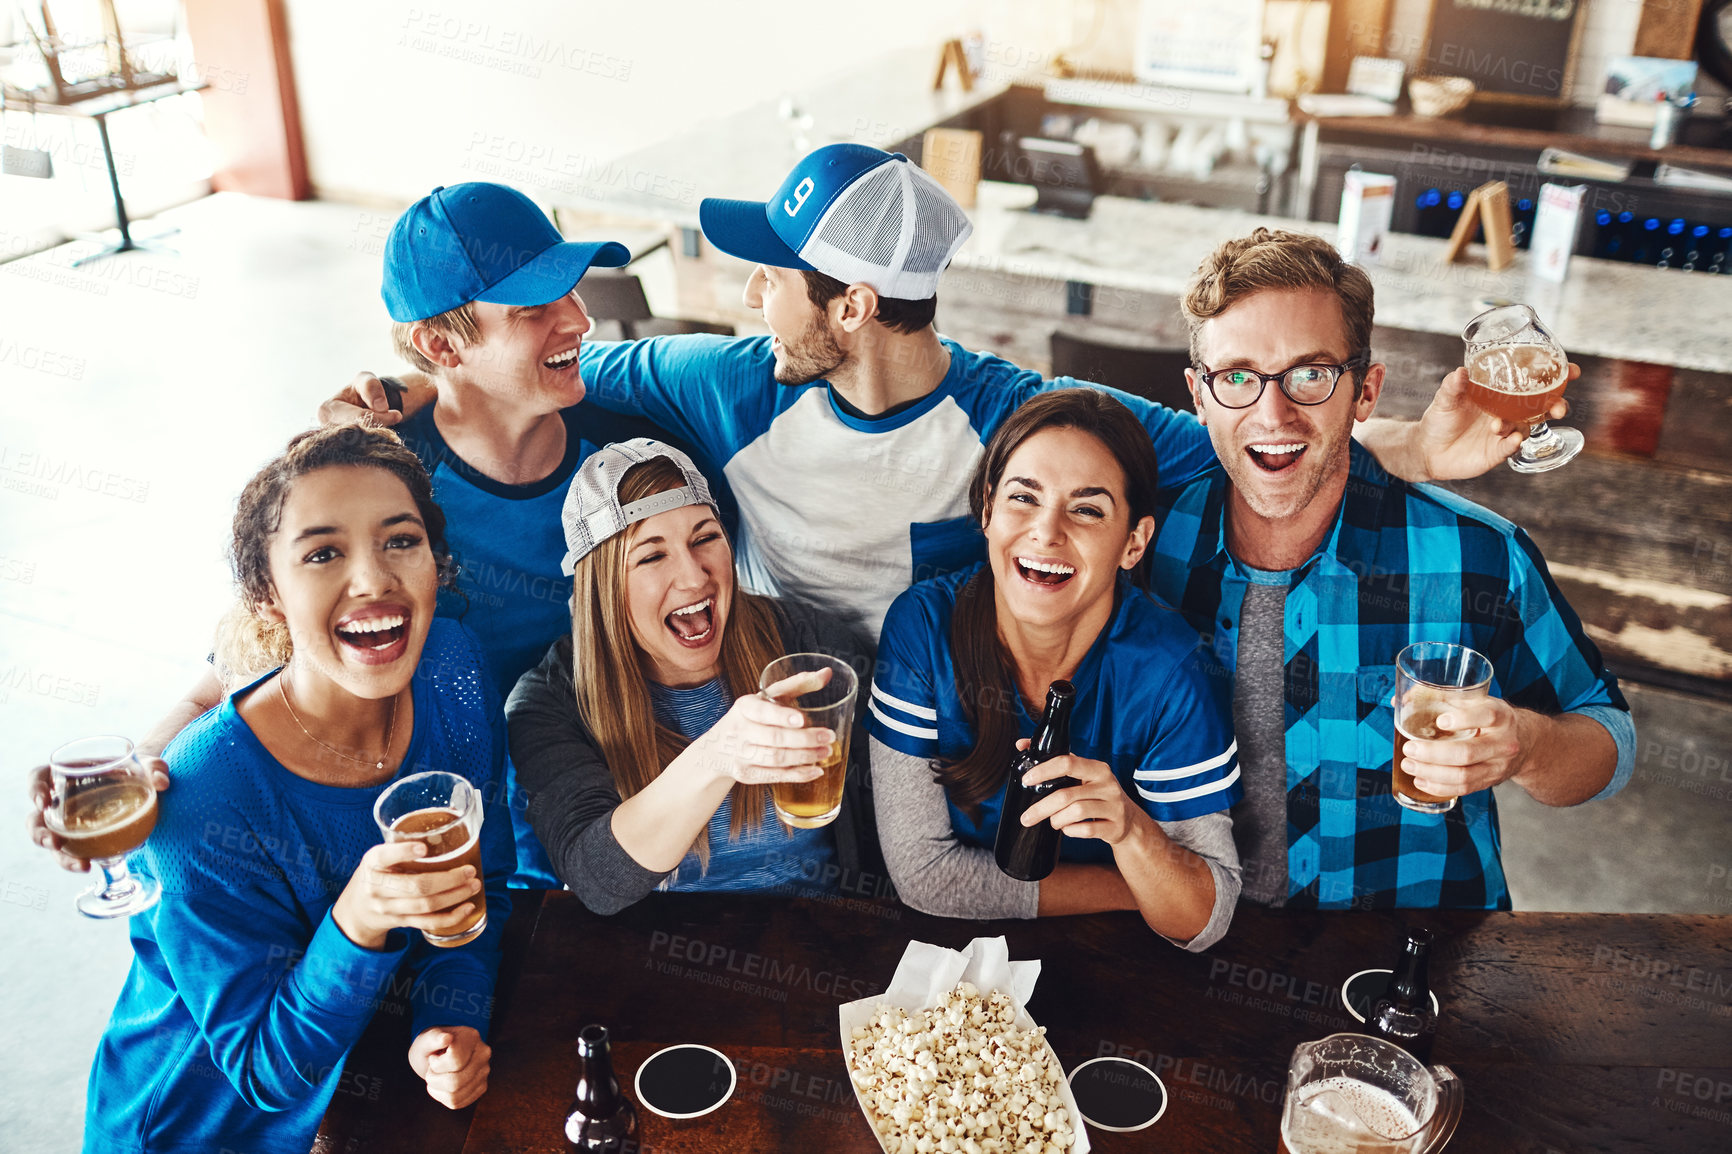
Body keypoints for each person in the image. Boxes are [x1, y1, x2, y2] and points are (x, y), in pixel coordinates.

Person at [320, 147, 1552, 650]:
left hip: (945, 737)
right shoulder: (723, 383)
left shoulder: (1019, 419)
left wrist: (1415, 446)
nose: (751, 295)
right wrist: (381, 401)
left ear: (851, 306)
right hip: (771, 710)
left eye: (776, 275)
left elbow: (1246, 436)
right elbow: (528, 381)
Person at [29, 182, 682, 888]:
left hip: (625, 807)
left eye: (574, 292)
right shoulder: (380, 483)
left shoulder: (631, 455)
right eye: (534, 309)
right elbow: (264, 650)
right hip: (458, 837)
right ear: (440, 343)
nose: (579, 321)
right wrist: (147, 756)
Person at [1148, 226, 1634, 910]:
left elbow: (1609, 740)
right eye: (1237, 378)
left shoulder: (1478, 554)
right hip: (1194, 936)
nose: (1273, 412)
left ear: (1366, 392)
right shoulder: (1139, 544)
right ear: (1199, 396)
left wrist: (1526, 747)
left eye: (1312, 374)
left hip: (1420, 952)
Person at [79, 424, 512, 1154]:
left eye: (400, 540)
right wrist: (360, 916)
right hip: (203, 1126)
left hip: (365, 1095)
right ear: (266, 593)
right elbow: (264, 1074)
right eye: (322, 554)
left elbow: (484, 886)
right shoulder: (203, 800)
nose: (374, 579)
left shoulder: (454, 669)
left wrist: (447, 1021)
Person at [870, 391, 1242, 950]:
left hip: (1118, 959)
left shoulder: (1173, 671)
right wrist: (1136, 887)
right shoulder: (922, 629)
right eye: (1024, 498)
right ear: (988, 512)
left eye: (1087, 509)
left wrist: (1133, 833)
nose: (1047, 532)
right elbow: (925, 877)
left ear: (1134, 544)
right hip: (954, 957)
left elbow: (1203, 921)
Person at [504, 440, 875, 912]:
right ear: (604, 588)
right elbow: (596, 880)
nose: (695, 577)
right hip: (658, 953)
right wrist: (719, 754)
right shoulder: (548, 703)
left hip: (818, 938)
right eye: (652, 557)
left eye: (704, 539)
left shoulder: (808, 643)